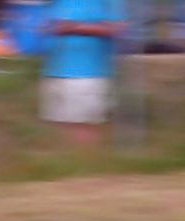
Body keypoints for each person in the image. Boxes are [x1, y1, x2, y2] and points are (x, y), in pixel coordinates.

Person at [40, 0, 125, 146]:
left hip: (88, 73)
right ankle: (67, 165)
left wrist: (74, 27)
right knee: (57, 126)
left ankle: (88, 164)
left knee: (83, 127)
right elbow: (45, 23)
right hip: (54, 69)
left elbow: (116, 28)